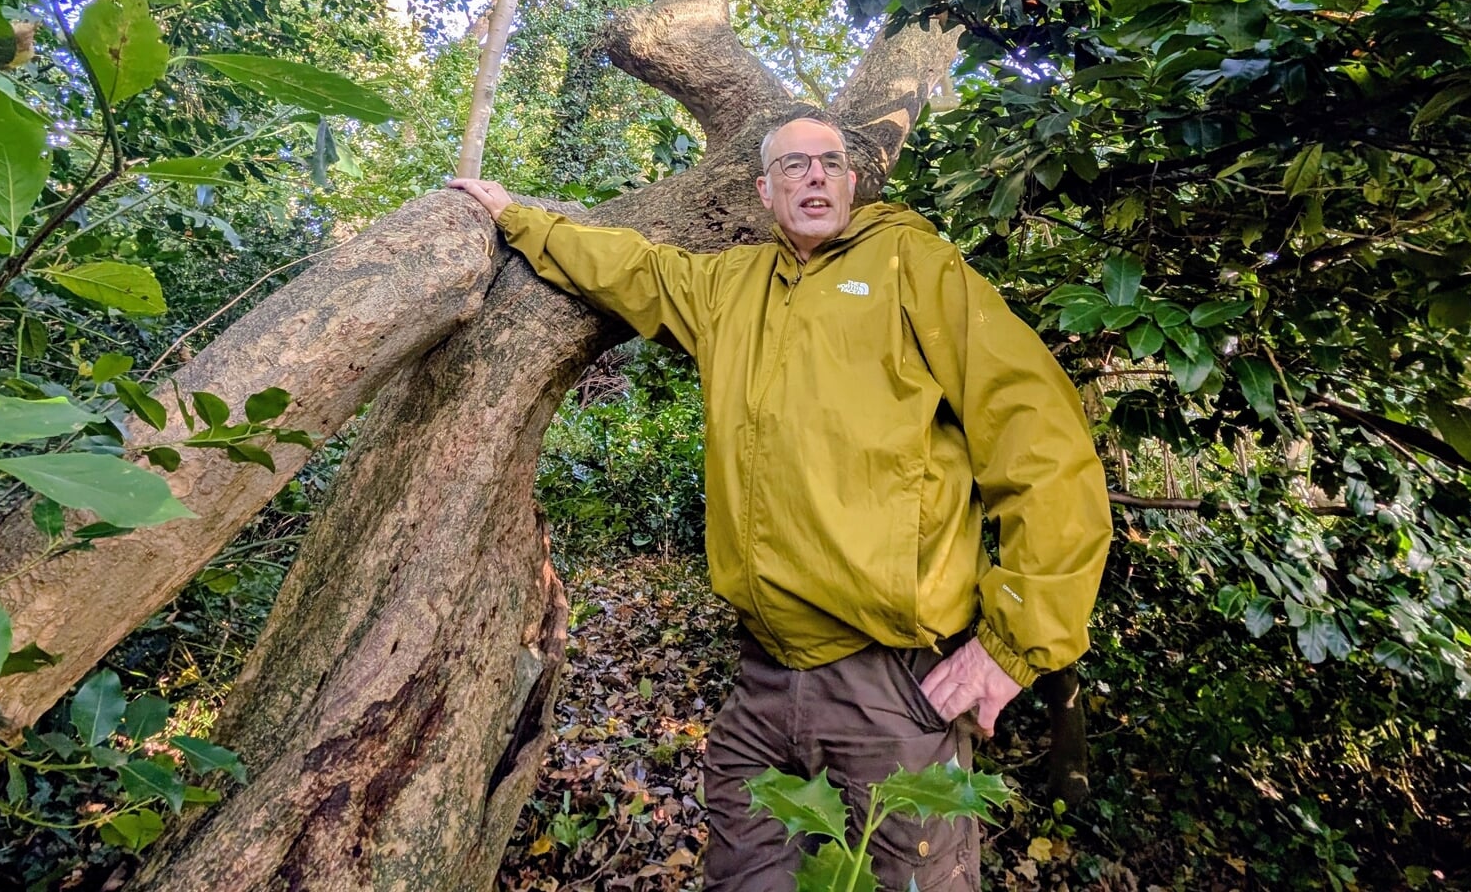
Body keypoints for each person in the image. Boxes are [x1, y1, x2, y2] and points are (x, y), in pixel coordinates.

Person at [449, 113, 1111, 891]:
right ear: (765, 192)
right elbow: (633, 270)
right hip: (761, 679)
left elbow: (1037, 436)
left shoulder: (912, 266)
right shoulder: (731, 287)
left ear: (852, 183)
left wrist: (1015, 643)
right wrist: (516, 218)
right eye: (793, 165)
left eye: (829, 161)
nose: (815, 175)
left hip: (891, 684)